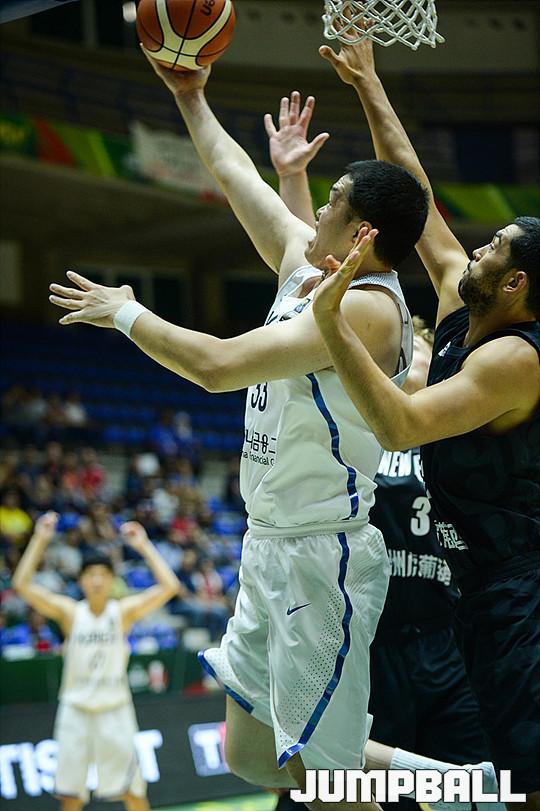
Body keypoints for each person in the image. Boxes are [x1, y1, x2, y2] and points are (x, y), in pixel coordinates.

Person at [48, 51, 429, 806]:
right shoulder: (310, 266)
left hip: (322, 555)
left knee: (326, 783)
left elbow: (218, 366)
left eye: (332, 201)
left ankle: (468, 788)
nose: (316, 208)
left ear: (362, 232)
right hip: (267, 544)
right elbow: (235, 176)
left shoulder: (367, 309)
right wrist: (191, 95)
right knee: (250, 755)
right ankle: (452, 779)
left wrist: (127, 312)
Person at [310, 32, 540, 808]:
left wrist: (331, 323)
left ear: (515, 283)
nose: (473, 247)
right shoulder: (460, 303)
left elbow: (402, 426)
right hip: (472, 592)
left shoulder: (515, 359)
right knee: (488, 783)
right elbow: (417, 191)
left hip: (521, 591)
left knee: (523, 786)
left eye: (493, 246)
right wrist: (368, 84)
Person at [264, 92, 493, 811]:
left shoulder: (455, 414)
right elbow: (311, 275)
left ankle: (467, 785)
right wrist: (293, 179)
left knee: (471, 783)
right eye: (407, 347)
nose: (412, 354)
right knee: (324, 782)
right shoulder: (366, 416)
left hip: (443, 633)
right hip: (370, 628)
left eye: (422, 346)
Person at [13, 511, 180, 811]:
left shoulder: (123, 612)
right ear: (81, 581)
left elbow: (170, 586)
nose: (97, 580)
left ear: (112, 579)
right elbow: (22, 584)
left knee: (133, 791)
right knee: (70, 795)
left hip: (115, 709)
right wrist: (39, 539)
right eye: (91, 574)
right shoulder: (70, 612)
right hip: (75, 709)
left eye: (103, 574)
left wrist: (143, 546)